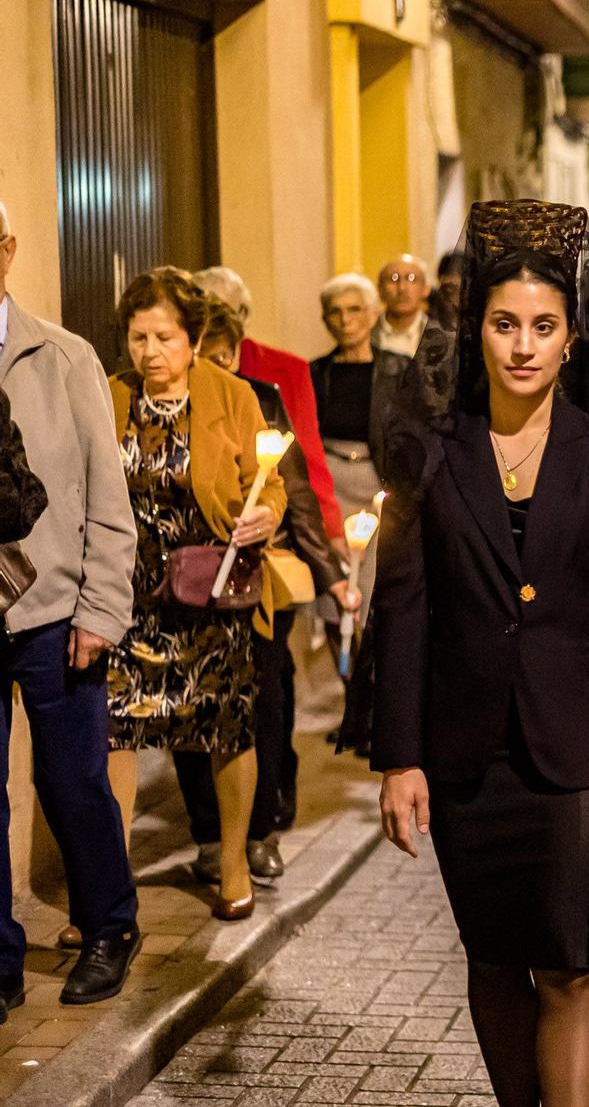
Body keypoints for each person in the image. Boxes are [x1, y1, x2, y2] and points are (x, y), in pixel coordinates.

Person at [370, 200, 589, 1107]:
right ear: (474, 328)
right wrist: (399, 754)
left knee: (569, 962)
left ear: (569, 338)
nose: (522, 345)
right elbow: (404, 609)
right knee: (492, 960)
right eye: (504, 324)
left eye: (542, 327)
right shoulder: (431, 452)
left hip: (580, 753)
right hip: (469, 755)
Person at [105, 267, 285, 922]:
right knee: (116, 725)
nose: (148, 352)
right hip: (129, 593)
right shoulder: (112, 394)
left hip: (212, 587)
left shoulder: (231, 395)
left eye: (163, 337)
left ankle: (233, 858)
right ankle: (109, 880)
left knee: (226, 723)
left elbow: (268, 480)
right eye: (137, 337)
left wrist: (265, 512)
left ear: (193, 335)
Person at [0, 199, 142, 1009]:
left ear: (9, 250)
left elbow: (107, 500)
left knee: (73, 781)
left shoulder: (62, 356)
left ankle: (109, 925)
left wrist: (101, 608)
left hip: (56, 611)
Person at [178, 297, 354, 882]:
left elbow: (294, 490)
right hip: (191, 579)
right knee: (195, 707)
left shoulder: (262, 398)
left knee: (266, 704)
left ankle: (262, 827)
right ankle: (209, 833)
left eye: (227, 354)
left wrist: (331, 577)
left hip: (262, 584)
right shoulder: (175, 404)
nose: (219, 366)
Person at [196, 267, 346, 560]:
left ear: (243, 314)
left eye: (224, 309)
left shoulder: (286, 369)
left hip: (277, 527)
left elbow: (306, 459)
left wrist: (331, 528)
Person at [311, 273, 412, 517]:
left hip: (383, 481)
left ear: (373, 313)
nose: (345, 320)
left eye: (354, 309)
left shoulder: (401, 368)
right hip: (331, 482)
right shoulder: (314, 372)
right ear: (325, 320)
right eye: (335, 311)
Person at [374, 254, 431, 357]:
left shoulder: (442, 337)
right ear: (379, 289)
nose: (402, 288)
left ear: (426, 289)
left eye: (411, 279)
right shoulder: (363, 336)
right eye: (393, 279)